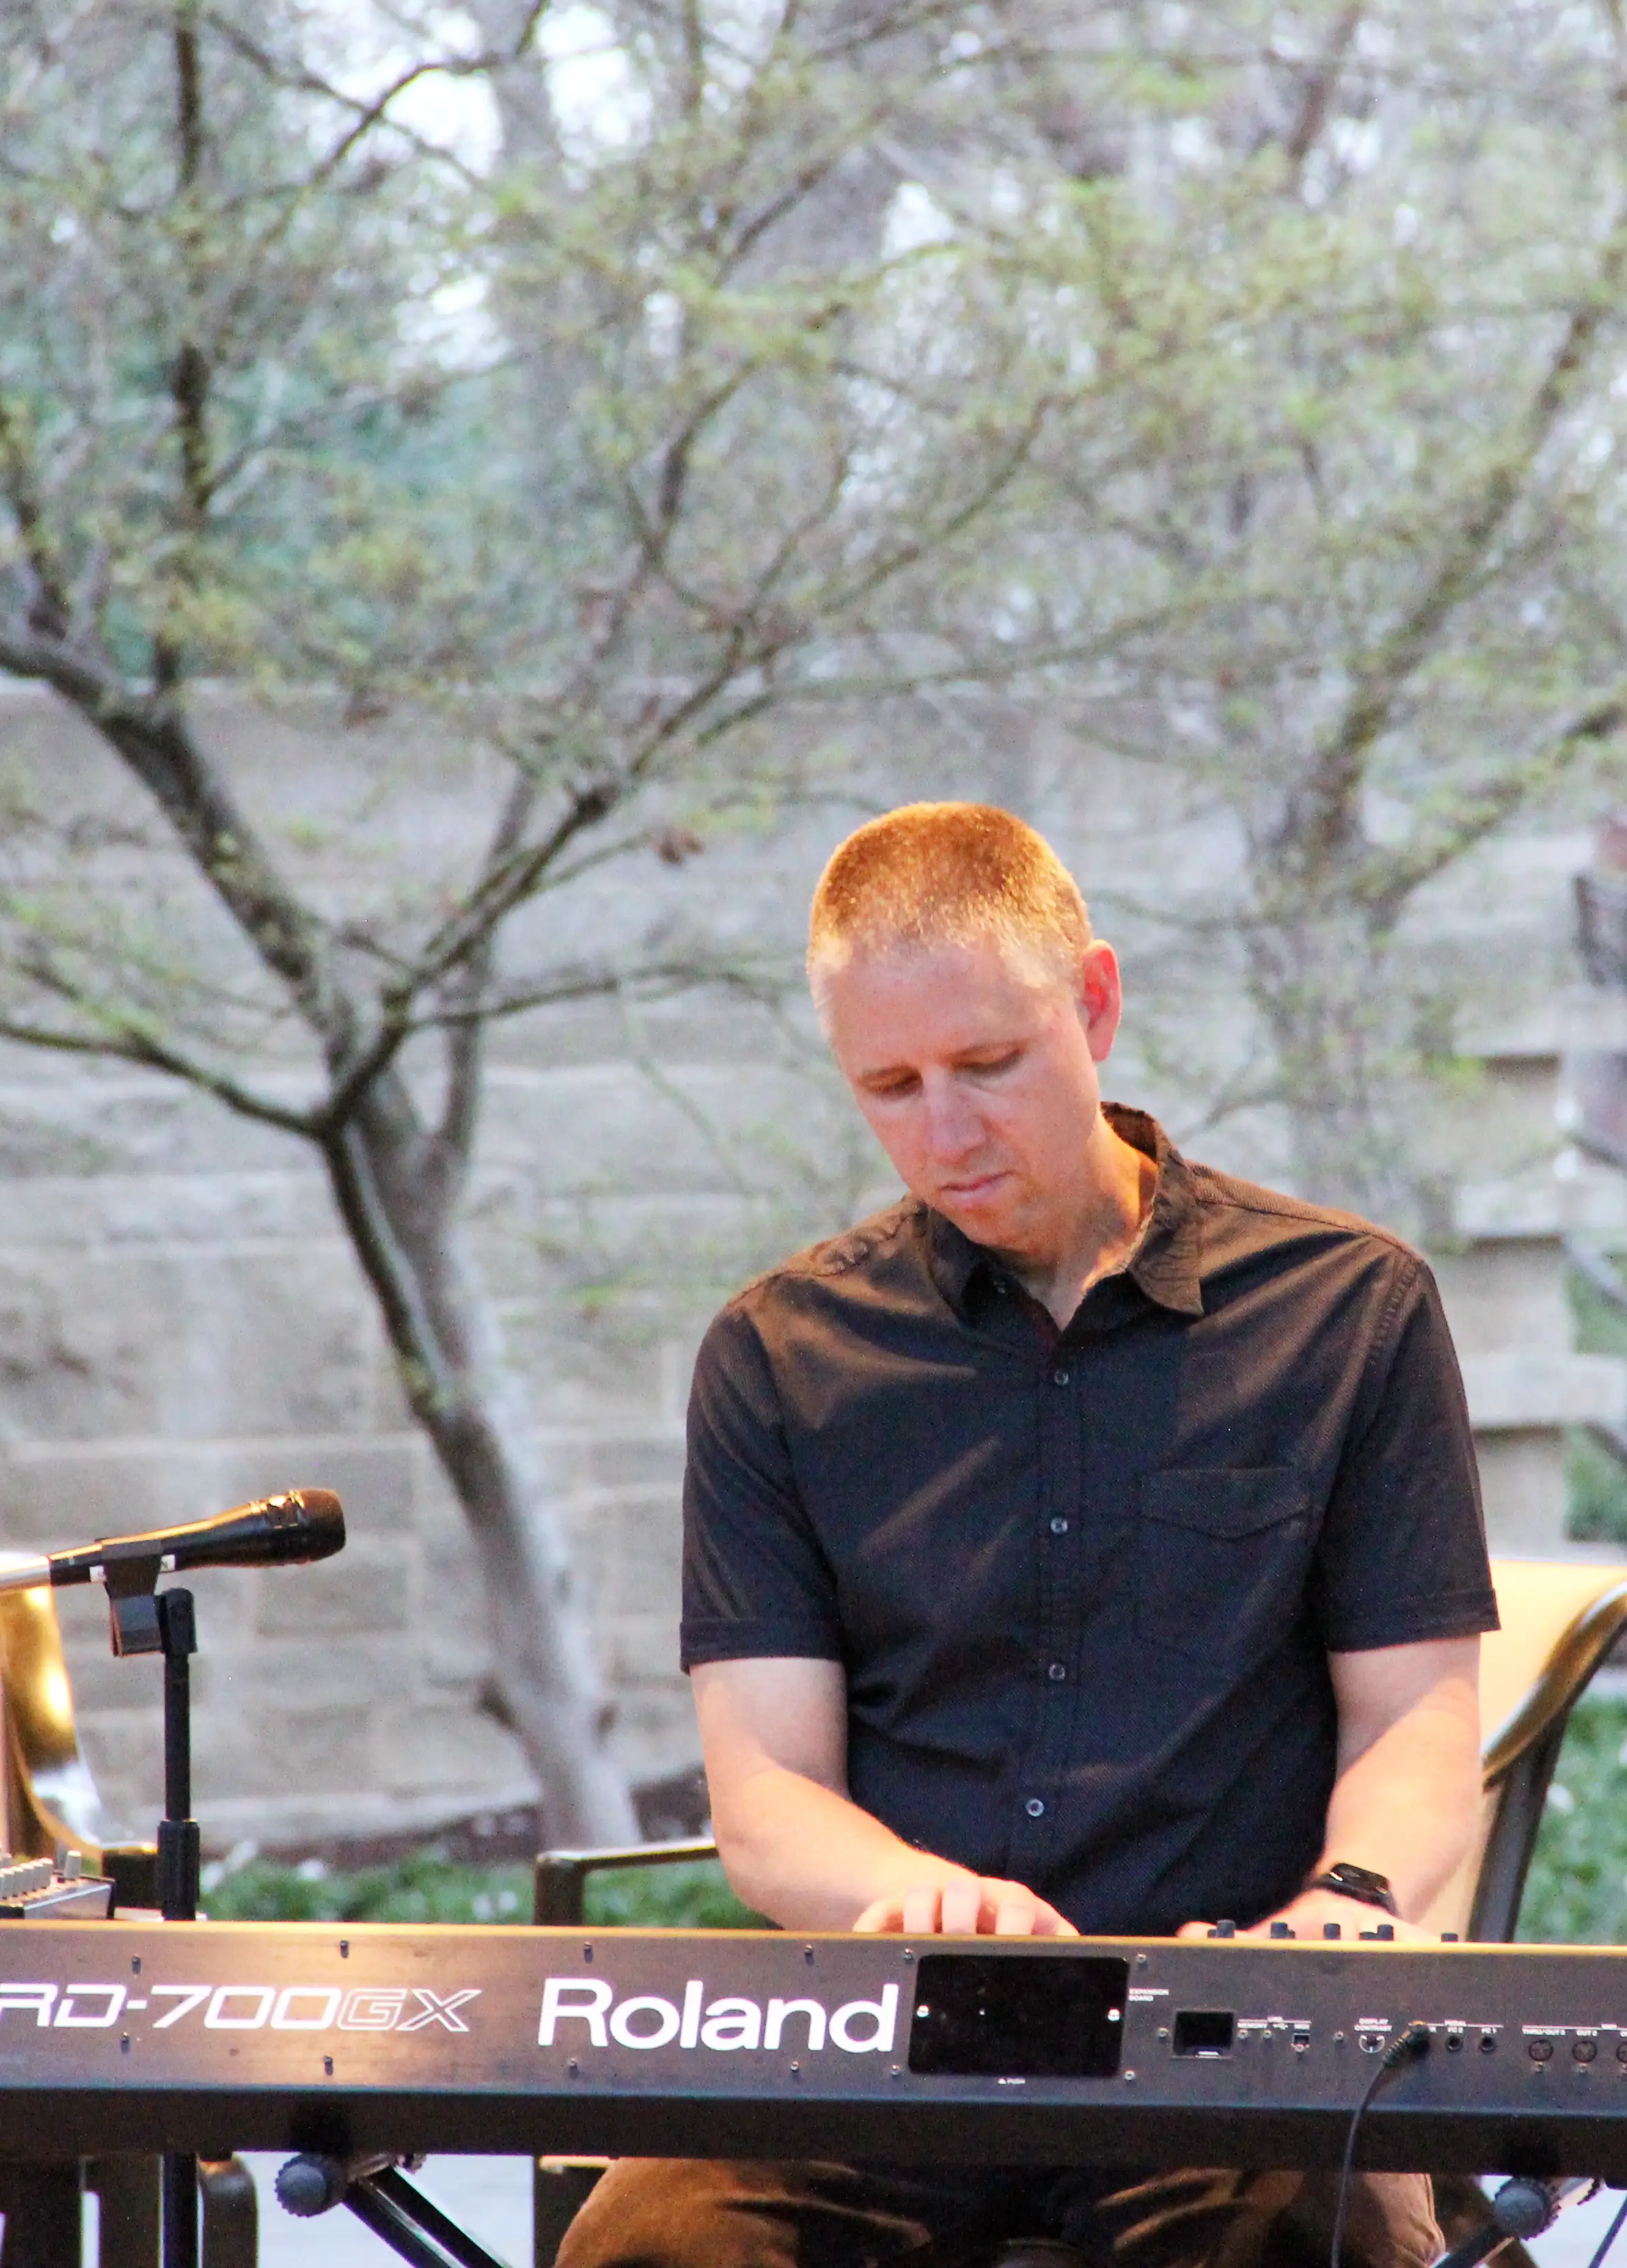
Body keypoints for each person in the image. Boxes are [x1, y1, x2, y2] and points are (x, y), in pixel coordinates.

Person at [557, 802, 1498, 2268]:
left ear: (1098, 1003)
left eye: (989, 1065)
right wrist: (894, 1887)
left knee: (1300, 2239)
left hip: (1227, 2028)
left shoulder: (1350, 1309)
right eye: (892, 1084)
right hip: (889, 2035)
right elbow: (766, 1790)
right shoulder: (779, 1354)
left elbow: (1417, 1717)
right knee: (654, 2245)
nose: (947, 1131)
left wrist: (1344, 1910)